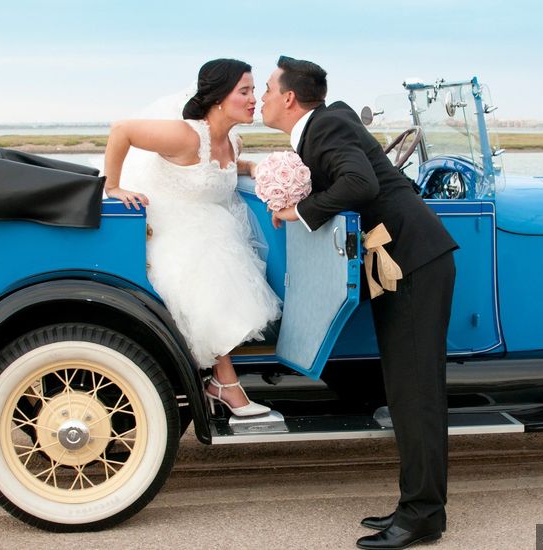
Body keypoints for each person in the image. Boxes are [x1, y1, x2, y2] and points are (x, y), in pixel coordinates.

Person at [262, 56, 457, 550]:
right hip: (402, 263)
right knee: (407, 392)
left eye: (266, 90)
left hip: (412, 263)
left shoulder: (325, 127)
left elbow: (361, 184)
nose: (261, 99)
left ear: (289, 98)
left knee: (416, 395)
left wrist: (298, 211)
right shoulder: (325, 126)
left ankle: (423, 516)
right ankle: (416, 505)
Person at [104, 58, 281, 416]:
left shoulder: (233, 141)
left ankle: (219, 379)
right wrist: (114, 186)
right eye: (245, 91)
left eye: (253, 90)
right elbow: (121, 130)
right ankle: (224, 382)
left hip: (210, 226)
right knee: (207, 261)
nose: (253, 100)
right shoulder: (186, 135)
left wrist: (253, 168)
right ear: (218, 98)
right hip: (168, 225)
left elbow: (229, 168)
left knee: (218, 247)